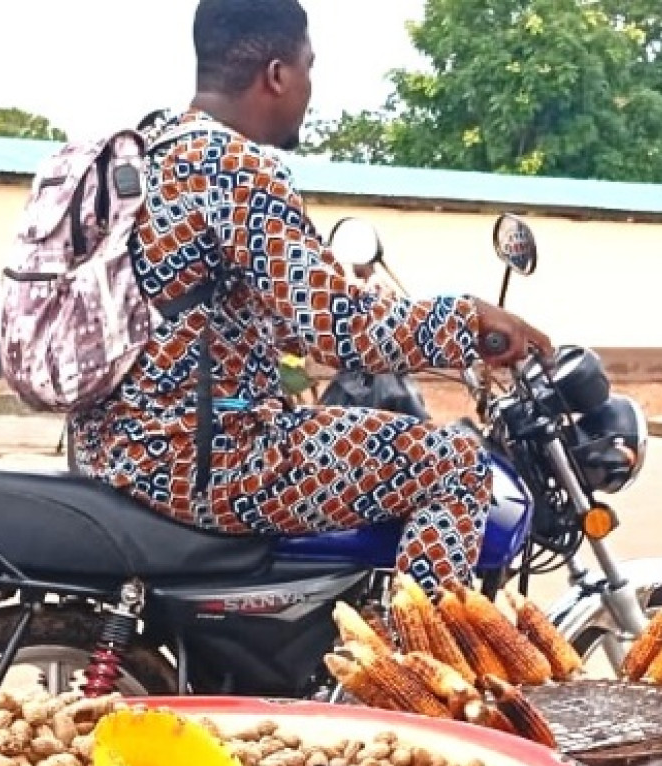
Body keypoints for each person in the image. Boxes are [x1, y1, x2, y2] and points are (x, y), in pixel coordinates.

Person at [70, 0, 552, 595]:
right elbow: (340, 326)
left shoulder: (151, 148)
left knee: (352, 429)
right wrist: (469, 323)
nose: (310, 87)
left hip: (111, 446)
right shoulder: (235, 168)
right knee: (454, 461)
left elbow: (255, 315)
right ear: (277, 74)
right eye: (309, 68)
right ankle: (413, 675)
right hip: (202, 461)